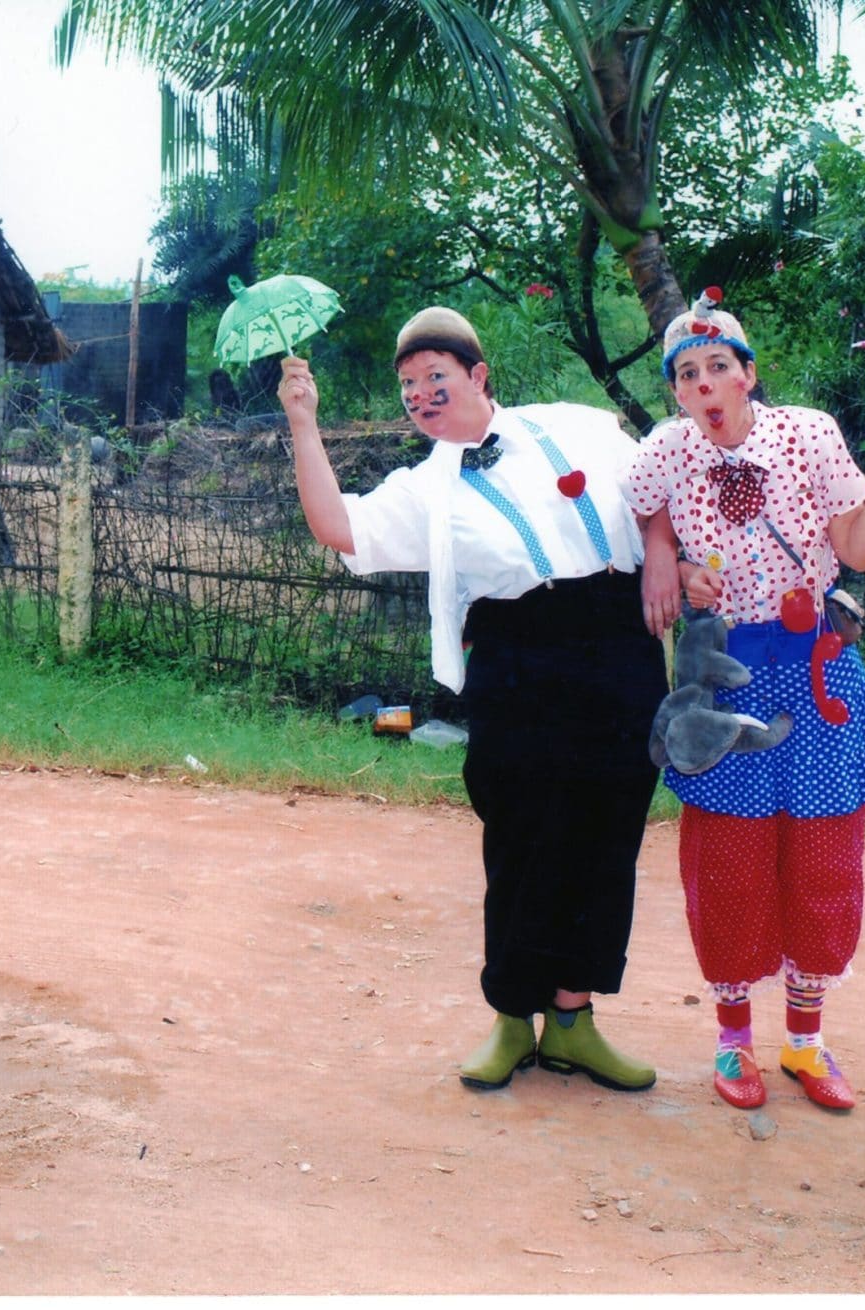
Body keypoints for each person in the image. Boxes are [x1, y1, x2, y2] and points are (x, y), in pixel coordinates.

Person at [279, 307, 669, 1094]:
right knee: (521, 838)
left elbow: (656, 492)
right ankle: (512, 1018)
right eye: (408, 384)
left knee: (606, 835)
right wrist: (303, 422)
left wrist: (663, 557)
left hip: (618, 644)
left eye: (436, 376)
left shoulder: (579, 426)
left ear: (479, 375)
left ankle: (574, 1021)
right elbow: (337, 527)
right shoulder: (426, 487)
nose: (420, 394)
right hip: (517, 660)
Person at [626, 289, 865, 1113]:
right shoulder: (667, 451)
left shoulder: (808, 434)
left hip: (818, 675)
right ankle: (732, 1041)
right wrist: (670, 561)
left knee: (824, 861)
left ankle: (804, 1042)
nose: (704, 383)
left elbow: (856, 548)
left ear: (748, 375)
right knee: (727, 863)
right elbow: (636, 513)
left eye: (718, 366)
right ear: (676, 393)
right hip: (725, 677)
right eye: (687, 374)